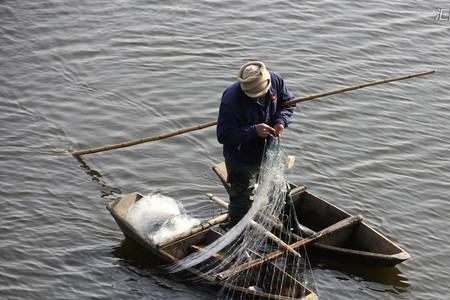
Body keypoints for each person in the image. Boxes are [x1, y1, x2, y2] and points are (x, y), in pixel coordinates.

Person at [216, 61, 296, 228]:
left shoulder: (276, 81)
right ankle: (236, 235)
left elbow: (288, 104)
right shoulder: (231, 99)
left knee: (281, 189)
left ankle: (292, 227)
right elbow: (224, 135)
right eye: (254, 95)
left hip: (270, 151)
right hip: (242, 157)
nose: (259, 97)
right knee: (242, 199)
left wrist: (281, 122)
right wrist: (253, 131)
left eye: (261, 94)